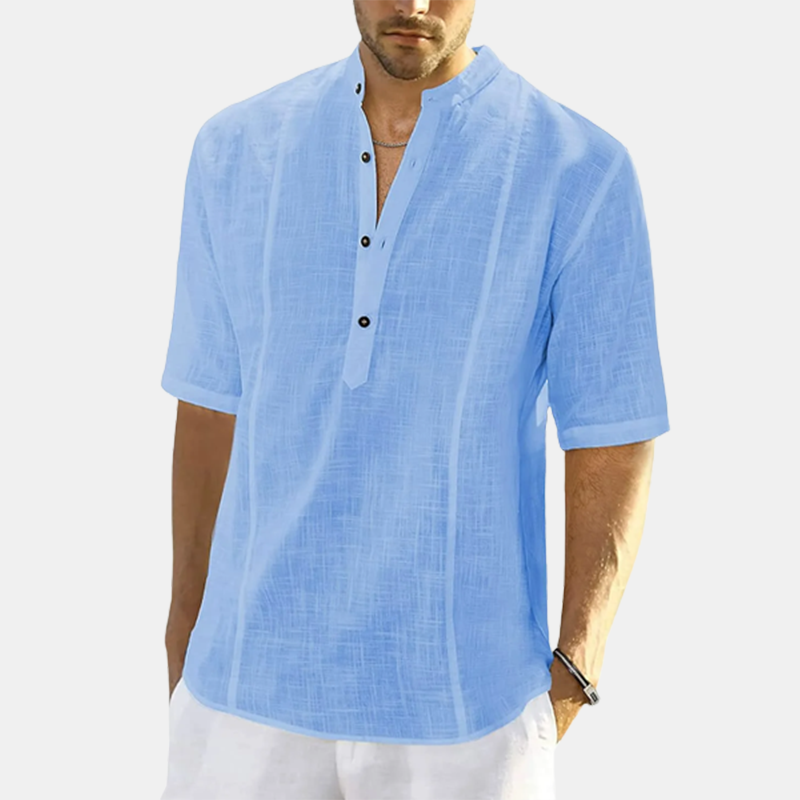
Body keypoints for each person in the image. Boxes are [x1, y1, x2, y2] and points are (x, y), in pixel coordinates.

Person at [158, 2, 670, 798]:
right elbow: (210, 404)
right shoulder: (237, 150)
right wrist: (184, 634)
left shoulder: (576, 169)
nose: (416, 4)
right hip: (241, 698)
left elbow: (612, 428)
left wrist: (577, 666)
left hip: (468, 710)